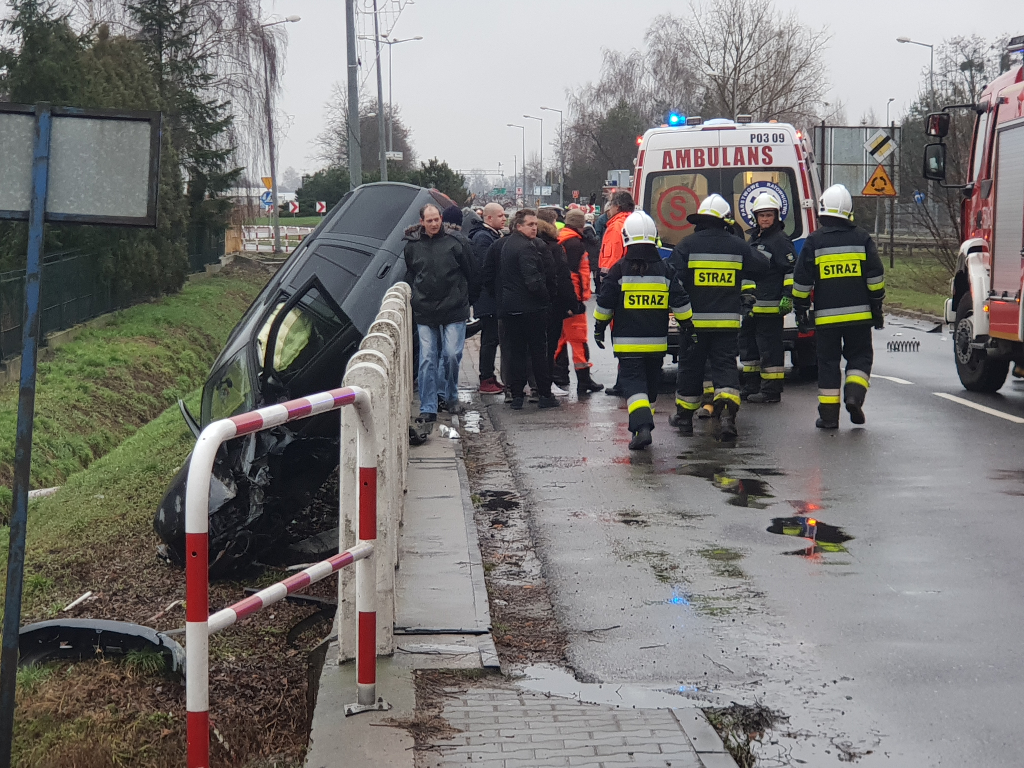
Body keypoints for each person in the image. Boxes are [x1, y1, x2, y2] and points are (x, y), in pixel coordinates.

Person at [668, 194, 770, 440]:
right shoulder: (738, 245)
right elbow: (763, 266)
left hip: (693, 323)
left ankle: (684, 419)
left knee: (690, 369)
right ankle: (727, 418)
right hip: (726, 323)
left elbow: (673, 278)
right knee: (725, 368)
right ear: (726, 220)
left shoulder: (687, 245)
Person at [594, 211, 693, 450]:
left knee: (633, 384)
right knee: (649, 385)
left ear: (627, 237)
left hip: (627, 344)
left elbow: (605, 303)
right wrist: (687, 325)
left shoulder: (618, 270)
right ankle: (644, 423)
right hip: (657, 343)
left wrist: (599, 327)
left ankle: (642, 427)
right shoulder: (666, 270)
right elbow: (680, 301)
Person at [792, 184, 885, 429]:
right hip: (859, 317)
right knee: (860, 357)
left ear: (823, 211)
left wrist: (800, 310)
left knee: (828, 364)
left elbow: (802, 280)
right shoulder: (862, 238)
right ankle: (854, 396)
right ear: (848, 211)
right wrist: (877, 307)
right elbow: (875, 277)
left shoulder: (814, 241)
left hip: (825, 320)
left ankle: (829, 417)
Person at [403, 203, 479, 421]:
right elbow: (411, 274)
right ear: (422, 222)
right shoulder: (412, 246)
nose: (434, 224)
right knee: (427, 358)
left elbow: (472, 272)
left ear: (441, 219)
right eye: (430, 220)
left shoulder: (457, 242)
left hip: (454, 308)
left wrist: (467, 301)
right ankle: (428, 407)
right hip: (425, 309)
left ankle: (450, 395)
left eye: (437, 219)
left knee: (451, 355)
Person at [486, 209, 560, 410]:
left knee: (515, 353)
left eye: (536, 224)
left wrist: (500, 299)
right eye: (530, 224)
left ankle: (516, 395)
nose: (534, 228)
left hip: (509, 307)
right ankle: (544, 394)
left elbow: (488, 276)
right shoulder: (528, 247)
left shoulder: (504, 245)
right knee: (538, 352)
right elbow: (534, 281)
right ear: (518, 226)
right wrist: (546, 298)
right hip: (531, 308)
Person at [739, 192, 797, 404]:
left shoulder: (780, 241)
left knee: (769, 349)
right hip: (753, 307)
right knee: (748, 345)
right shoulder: (755, 238)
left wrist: (787, 297)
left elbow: (791, 271)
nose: (765, 219)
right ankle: (751, 384)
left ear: (776, 216)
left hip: (772, 306)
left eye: (769, 215)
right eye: (761, 215)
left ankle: (771, 390)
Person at [556, 209, 604, 395]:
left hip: (565, 300)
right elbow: (573, 275)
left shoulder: (563, 239)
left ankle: (557, 376)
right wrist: (576, 300)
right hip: (573, 301)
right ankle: (584, 380)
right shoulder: (574, 243)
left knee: (561, 339)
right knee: (578, 340)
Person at [598, 190, 636, 397]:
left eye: (611, 205)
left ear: (618, 207)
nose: (608, 209)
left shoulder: (615, 227)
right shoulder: (639, 222)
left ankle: (623, 382)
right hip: (639, 284)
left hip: (621, 288)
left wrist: (606, 288)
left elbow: (610, 263)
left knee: (621, 336)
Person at [467, 203, 508, 394]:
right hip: (487, 297)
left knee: (492, 338)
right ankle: (486, 379)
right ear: (489, 218)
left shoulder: (491, 235)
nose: (504, 218)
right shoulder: (483, 238)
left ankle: (490, 376)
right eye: (500, 216)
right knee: (490, 339)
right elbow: (487, 267)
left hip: (490, 296)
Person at [536, 208, 577, 396]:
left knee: (530, 347)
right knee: (549, 345)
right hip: (552, 304)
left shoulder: (527, 243)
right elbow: (563, 278)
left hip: (529, 304)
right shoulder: (554, 246)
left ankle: (528, 385)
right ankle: (546, 385)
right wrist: (571, 304)